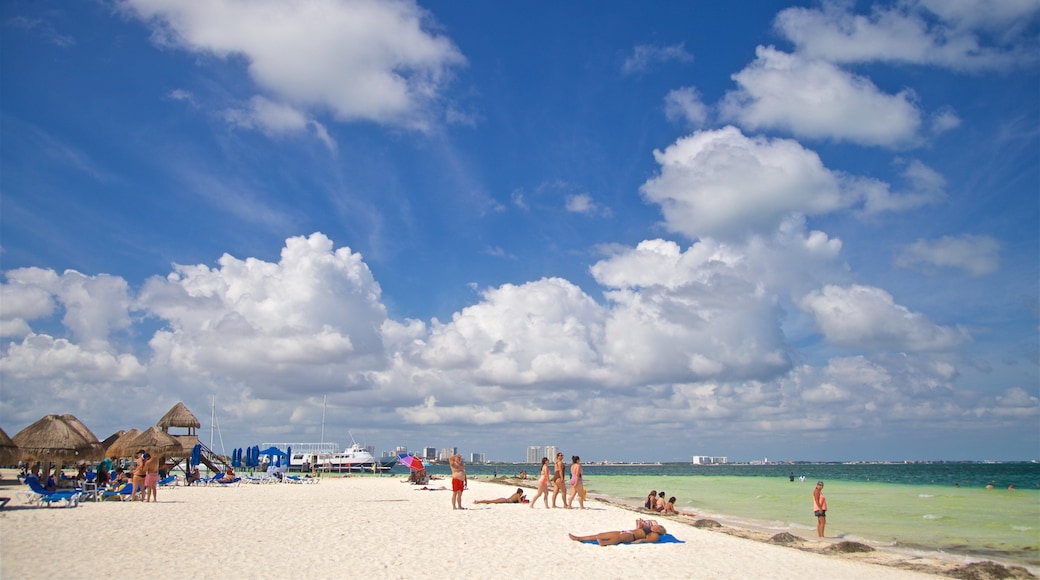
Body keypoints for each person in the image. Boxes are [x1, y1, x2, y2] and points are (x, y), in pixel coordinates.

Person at [568, 520, 667, 546]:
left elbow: (650, 540)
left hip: (631, 536)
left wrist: (640, 540)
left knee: (619, 538)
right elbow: (638, 529)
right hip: (628, 531)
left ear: (658, 530)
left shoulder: (655, 535)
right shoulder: (649, 529)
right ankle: (579, 538)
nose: (653, 526)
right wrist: (640, 525)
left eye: (656, 526)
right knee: (601, 534)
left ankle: (604, 543)